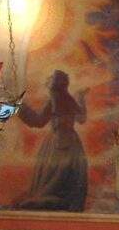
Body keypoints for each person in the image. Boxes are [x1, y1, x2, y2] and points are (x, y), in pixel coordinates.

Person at [15, 70, 89, 212]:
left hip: (61, 143)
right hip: (65, 142)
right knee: (54, 177)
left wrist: (20, 107)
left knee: (56, 177)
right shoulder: (66, 99)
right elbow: (81, 118)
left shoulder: (60, 99)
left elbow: (38, 121)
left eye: (50, 82)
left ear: (55, 85)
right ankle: (51, 200)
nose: (47, 84)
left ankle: (49, 200)